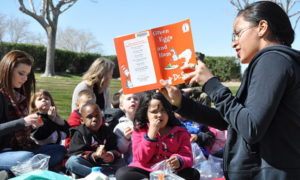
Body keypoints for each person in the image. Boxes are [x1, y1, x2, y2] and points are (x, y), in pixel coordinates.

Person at [159, 1, 300, 179]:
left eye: (237, 34)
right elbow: (232, 121)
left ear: (262, 27)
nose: (234, 43)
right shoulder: (276, 62)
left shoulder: (272, 60)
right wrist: (180, 102)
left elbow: (251, 128)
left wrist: (211, 84)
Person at [0, 50, 67, 175]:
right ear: (7, 70)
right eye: (21, 73)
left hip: (19, 149)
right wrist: (22, 122)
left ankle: (14, 172)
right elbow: (12, 126)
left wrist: (33, 126)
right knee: (27, 158)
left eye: (27, 75)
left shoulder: (18, 95)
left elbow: (23, 134)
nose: (25, 79)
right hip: (3, 152)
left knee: (59, 150)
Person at [115, 92, 200, 180]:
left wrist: (179, 160)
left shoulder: (180, 132)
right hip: (145, 170)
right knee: (122, 174)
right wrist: (150, 135)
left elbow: (188, 157)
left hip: (171, 172)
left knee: (193, 174)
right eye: (154, 112)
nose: (159, 115)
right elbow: (140, 159)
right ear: (146, 114)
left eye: (163, 110)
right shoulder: (139, 130)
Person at [65, 103, 125, 178]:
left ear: (102, 117)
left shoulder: (107, 131)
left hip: (104, 165)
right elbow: (75, 153)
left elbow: (115, 149)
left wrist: (110, 155)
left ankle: (103, 176)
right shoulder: (79, 133)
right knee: (71, 162)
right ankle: (100, 177)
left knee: (122, 162)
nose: (94, 119)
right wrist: (94, 155)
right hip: (88, 165)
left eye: (97, 116)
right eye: (90, 117)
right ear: (82, 120)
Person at [113, 93, 140, 164]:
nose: (133, 101)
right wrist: (125, 139)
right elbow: (121, 150)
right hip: (131, 161)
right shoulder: (119, 127)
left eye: (136, 99)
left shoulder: (146, 122)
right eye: (129, 99)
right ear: (122, 106)